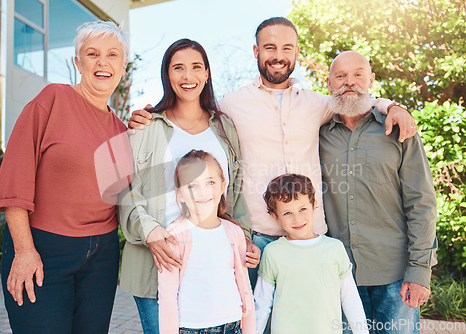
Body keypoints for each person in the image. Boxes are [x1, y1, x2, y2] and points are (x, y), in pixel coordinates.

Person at [127, 17, 417, 289]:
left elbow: (354, 96)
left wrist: (391, 106)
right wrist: (148, 117)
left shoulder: (318, 104)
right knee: (256, 322)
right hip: (255, 241)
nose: (278, 55)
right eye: (269, 47)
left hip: (310, 235)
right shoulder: (231, 105)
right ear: (256, 51)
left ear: (296, 53)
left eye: (286, 48)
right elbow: (191, 116)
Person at [0, 21, 133, 334]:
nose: (103, 62)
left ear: (122, 66)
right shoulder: (52, 100)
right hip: (44, 248)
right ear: (78, 62)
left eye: (112, 55)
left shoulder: (123, 131)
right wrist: (25, 250)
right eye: (92, 54)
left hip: (102, 257)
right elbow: (15, 180)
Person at [118, 38, 258, 334]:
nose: (187, 76)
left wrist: (245, 239)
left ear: (207, 73)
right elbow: (126, 191)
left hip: (213, 268)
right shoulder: (147, 125)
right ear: (167, 75)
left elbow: (235, 191)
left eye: (196, 67)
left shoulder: (224, 127)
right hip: (158, 263)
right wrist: (151, 232)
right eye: (178, 67)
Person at [319, 51, 437, 333]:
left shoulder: (399, 129)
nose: (351, 82)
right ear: (329, 83)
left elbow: (421, 201)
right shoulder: (317, 133)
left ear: (371, 79)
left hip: (395, 277)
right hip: (339, 276)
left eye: (359, 74)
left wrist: (420, 271)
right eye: (341, 76)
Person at [254, 173, 368, 334]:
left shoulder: (334, 248)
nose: (297, 219)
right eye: (287, 213)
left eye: (302, 209)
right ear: (275, 216)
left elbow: (350, 299)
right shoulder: (273, 252)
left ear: (314, 205)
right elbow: (262, 303)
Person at [157, 150, 255, 334]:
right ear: (179, 194)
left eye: (210, 182)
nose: (202, 192)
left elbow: (244, 285)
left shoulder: (234, 233)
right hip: (192, 328)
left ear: (222, 186)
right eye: (192, 186)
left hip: (232, 325)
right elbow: (167, 297)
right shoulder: (175, 236)